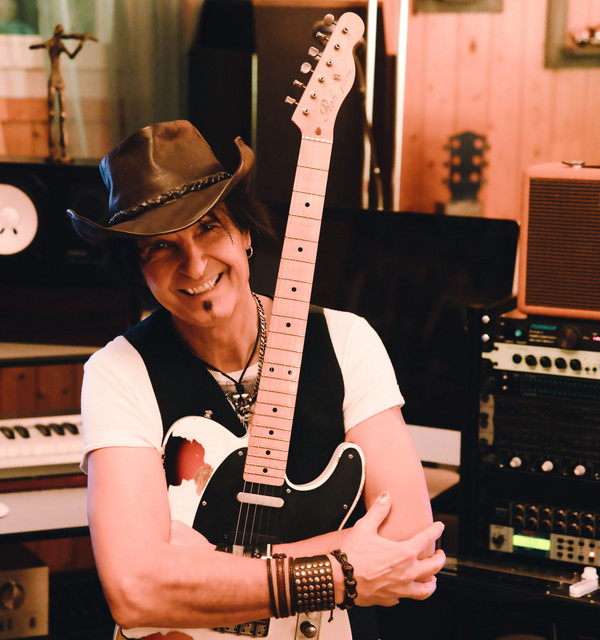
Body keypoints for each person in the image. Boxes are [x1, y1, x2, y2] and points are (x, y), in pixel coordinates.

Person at [68, 120, 446, 640]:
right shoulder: (117, 371)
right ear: (140, 272)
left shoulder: (347, 341)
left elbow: (410, 547)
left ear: (245, 234)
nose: (193, 264)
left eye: (208, 227)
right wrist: (342, 570)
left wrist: (206, 568)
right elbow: (135, 590)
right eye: (160, 247)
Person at [29, 24, 97, 162]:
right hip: (55, 78)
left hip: (58, 79)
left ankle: (62, 151)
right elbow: (33, 47)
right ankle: (54, 151)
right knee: (53, 114)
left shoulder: (55, 44)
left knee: (61, 115)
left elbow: (71, 55)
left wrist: (81, 44)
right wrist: (81, 43)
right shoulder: (53, 44)